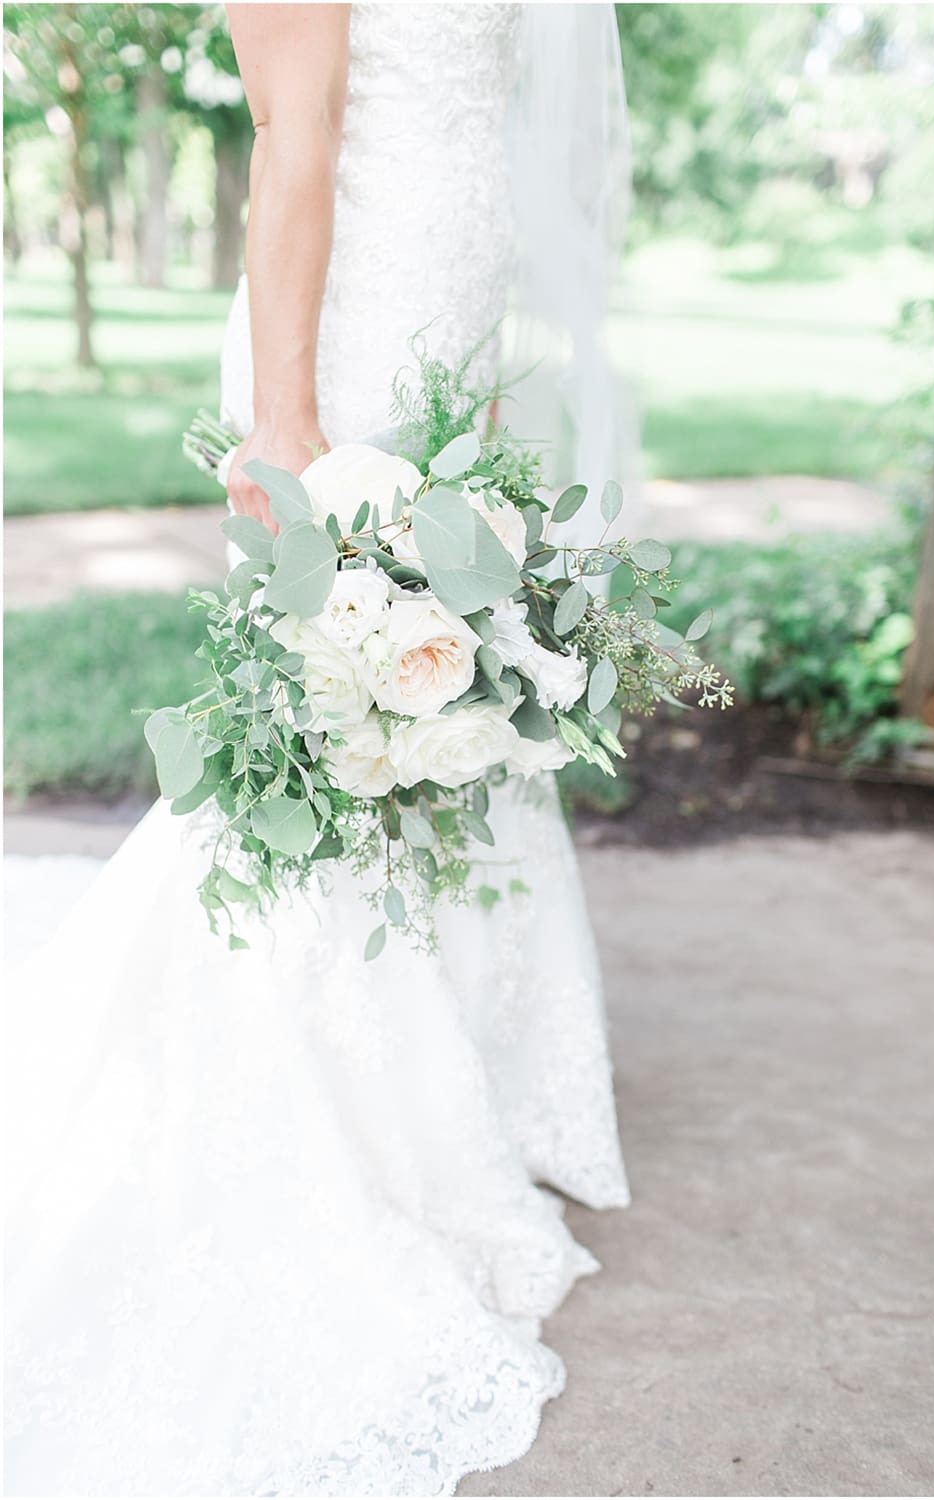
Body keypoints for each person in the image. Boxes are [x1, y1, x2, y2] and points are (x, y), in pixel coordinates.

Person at [3, 6, 631, 1492]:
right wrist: (287, 420)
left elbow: (472, 125)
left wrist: (470, 387)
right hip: (334, 349)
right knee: (341, 723)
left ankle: (443, 1082)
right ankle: (320, 1107)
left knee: (434, 722)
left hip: (438, 333)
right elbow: (294, 140)